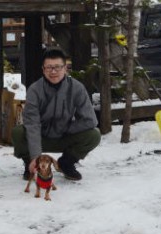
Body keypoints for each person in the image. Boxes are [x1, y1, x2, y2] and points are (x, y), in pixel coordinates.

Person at [12, 48, 101, 181]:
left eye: (58, 67)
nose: (53, 71)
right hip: (41, 137)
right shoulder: (34, 90)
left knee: (94, 134)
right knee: (18, 132)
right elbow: (32, 124)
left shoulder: (77, 88)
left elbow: (90, 120)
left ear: (65, 68)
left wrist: (67, 128)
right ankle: (29, 163)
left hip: (65, 136)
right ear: (43, 69)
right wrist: (36, 157)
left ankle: (66, 163)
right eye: (49, 67)